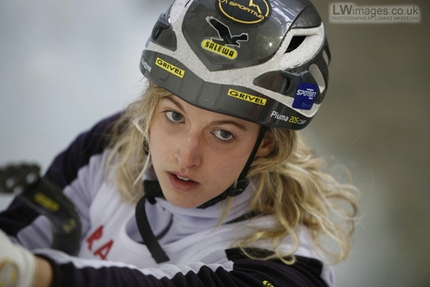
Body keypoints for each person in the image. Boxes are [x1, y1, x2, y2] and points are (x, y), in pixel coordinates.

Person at [0, 0, 358, 286]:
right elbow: (17, 235)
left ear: (266, 145)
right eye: (174, 116)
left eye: (223, 134)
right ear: (151, 106)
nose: (186, 156)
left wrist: (33, 274)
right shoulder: (114, 141)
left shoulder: (290, 268)